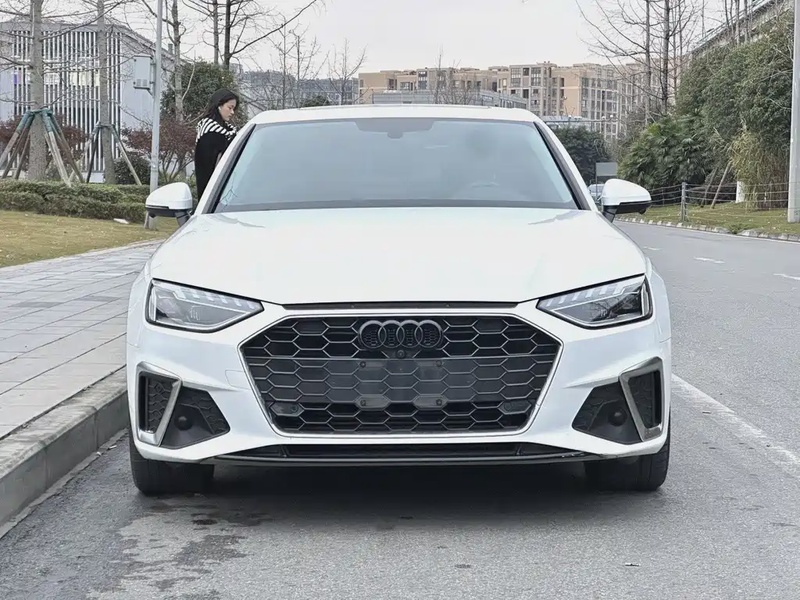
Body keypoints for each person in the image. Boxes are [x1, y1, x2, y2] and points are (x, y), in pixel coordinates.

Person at [194, 88, 239, 199]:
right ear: (219, 105)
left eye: (233, 109)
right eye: (230, 108)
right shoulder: (210, 133)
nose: (232, 112)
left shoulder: (228, 131)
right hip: (214, 198)